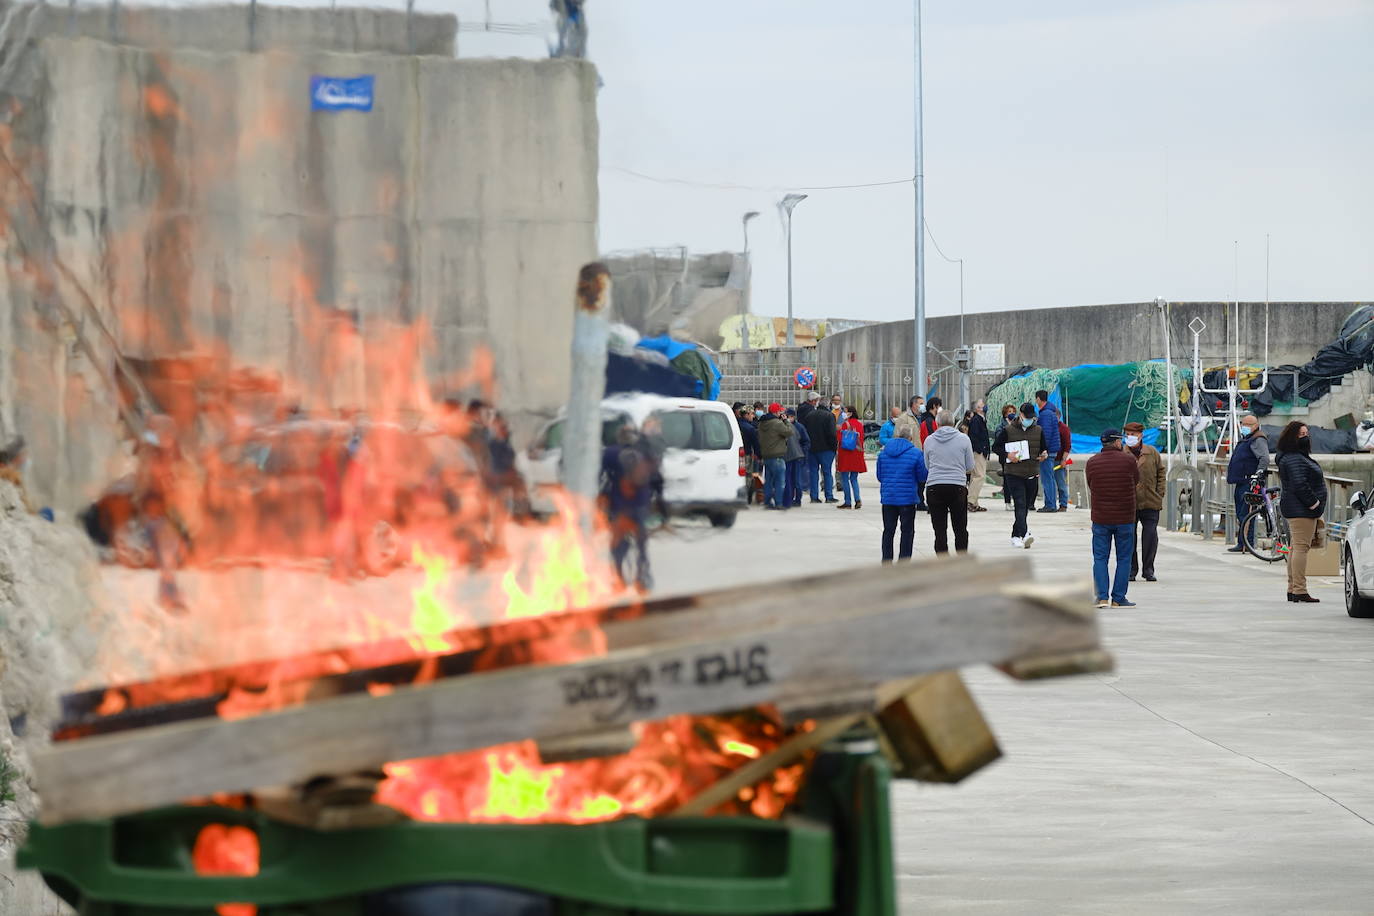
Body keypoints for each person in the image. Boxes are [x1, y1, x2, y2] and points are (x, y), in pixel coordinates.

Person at [601, 426, 664, 592]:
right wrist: (659, 502)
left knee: (618, 544)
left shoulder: (610, 453)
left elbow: (599, 476)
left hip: (618, 505)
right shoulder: (646, 454)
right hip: (640, 504)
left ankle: (618, 578)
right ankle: (642, 578)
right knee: (641, 544)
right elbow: (658, 479)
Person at [1085, 428, 1139, 608]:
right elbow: (1136, 481)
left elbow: (1091, 484)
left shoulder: (1092, 462)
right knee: (1124, 558)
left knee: (1100, 558)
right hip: (1125, 516)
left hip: (1101, 517)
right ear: (1117, 442)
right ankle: (1118, 598)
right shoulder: (1129, 461)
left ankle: (1101, 597)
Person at [1276, 421, 1326, 603]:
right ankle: (1299, 589)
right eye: (1301, 434)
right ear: (1292, 437)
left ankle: (1293, 588)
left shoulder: (1289, 457)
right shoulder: (1295, 458)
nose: (1306, 437)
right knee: (1301, 548)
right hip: (1301, 509)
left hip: (1295, 507)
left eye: (1306, 433)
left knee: (1295, 547)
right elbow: (1299, 484)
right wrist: (1314, 503)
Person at [923, 410, 976, 554]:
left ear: (937, 423)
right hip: (957, 486)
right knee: (960, 528)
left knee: (939, 529)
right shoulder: (964, 439)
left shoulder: (929, 440)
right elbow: (970, 466)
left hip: (935, 486)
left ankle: (943, 560)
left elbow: (927, 465)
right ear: (954, 423)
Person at [876, 427, 928, 562]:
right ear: (910, 438)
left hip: (888, 498)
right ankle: (904, 562)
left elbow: (880, 476)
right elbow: (922, 476)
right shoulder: (916, 454)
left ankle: (886, 560)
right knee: (907, 532)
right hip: (907, 498)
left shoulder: (883, 453)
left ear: (897, 435)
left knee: (888, 531)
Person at [1122, 422, 1165, 582]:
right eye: (1128, 434)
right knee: (1128, 537)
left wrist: (1159, 492)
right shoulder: (1122, 452)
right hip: (1129, 503)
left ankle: (1148, 569)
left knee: (1150, 536)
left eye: (1133, 434)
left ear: (1141, 435)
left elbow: (1161, 471)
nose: (1130, 437)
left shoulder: (1152, 452)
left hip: (1150, 501)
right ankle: (1131, 570)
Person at [1001, 403, 1047, 549]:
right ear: (1020, 415)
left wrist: (1043, 454)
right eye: (1026, 417)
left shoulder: (1038, 430)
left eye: (1031, 418)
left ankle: (1015, 535)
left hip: (1032, 472)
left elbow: (1043, 447)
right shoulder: (1008, 430)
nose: (1029, 420)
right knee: (1020, 504)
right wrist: (1007, 455)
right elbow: (997, 447)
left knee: (1025, 506)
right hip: (1014, 473)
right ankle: (1025, 533)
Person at [1225, 415, 1271, 553]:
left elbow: (1264, 458)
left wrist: (1257, 475)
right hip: (1241, 481)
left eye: (1246, 424)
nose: (1243, 426)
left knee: (1246, 513)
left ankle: (1247, 543)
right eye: (1242, 423)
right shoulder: (1248, 439)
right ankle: (1242, 542)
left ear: (1255, 425)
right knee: (1241, 513)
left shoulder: (1258, 439)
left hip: (1249, 482)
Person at [801, 392, 838, 503]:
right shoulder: (829, 416)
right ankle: (829, 496)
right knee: (827, 472)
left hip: (812, 449)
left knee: (813, 472)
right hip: (826, 449)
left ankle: (814, 496)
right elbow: (832, 434)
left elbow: (805, 432)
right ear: (827, 405)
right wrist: (834, 447)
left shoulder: (810, 415)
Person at [756, 402, 794, 511]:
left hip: (766, 456)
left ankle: (767, 503)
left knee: (768, 481)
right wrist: (786, 420)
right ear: (777, 412)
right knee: (779, 481)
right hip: (777, 456)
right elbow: (789, 432)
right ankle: (778, 503)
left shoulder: (762, 423)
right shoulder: (777, 423)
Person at [1035, 390, 1062, 514]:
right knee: (1049, 478)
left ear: (1039, 399)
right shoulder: (1050, 412)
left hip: (1048, 451)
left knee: (1047, 479)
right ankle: (1050, 503)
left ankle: (1050, 504)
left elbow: (1045, 434)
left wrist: (1042, 450)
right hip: (1052, 449)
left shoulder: (1045, 414)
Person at [835, 405, 867, 509]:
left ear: (850, 413)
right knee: (854, 478)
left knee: (845, 478)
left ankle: (848, 501)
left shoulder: (844, 424)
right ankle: (857, 499)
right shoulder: (859, 425)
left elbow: (840, 438)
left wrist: (838, 430)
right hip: (856, 453)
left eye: (845, 411)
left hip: (846, 453)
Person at [965, 400, 990, 512]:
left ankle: (974, 502)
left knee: (976, 476)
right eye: (981, 406)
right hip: (978, 452)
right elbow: (974, 437)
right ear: (977, 409)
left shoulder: (981, 420)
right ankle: (970, 501)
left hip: (980, 451)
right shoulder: (976, 420)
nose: (983, 407)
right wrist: (981, 449)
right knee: (979, 476)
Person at [992, 403, 1018, 511]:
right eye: (1009, 412)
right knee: (1007, 480)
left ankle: (1016, 500)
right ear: (1005, 414)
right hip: (1005, 456)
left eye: (1013, 412)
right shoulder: (1001, 426)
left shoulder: (1017, 424)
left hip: (1016, 455)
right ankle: (1007, 501)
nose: (1011, 414)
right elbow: (998, 440)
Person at [783, 408, 809, 508]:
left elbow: (806, 441)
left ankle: (798, 499)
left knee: (796, 479)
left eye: (789, 416)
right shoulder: (784, 426)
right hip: (788, 456)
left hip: (797, 456)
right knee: (789, 479)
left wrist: (802, 451)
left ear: (793, 417)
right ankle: (790, 498)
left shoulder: (799, 427)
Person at [1053, 415, 1072, 510]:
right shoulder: (1047, 426)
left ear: (1058, 416)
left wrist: (1064, 459)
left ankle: (1063, 504)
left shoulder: (1064, 429)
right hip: (1048, 459)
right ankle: (1051, 503)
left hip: (1059, 460)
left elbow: (1067, 446)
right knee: (1048, 483)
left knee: (1061, 483)